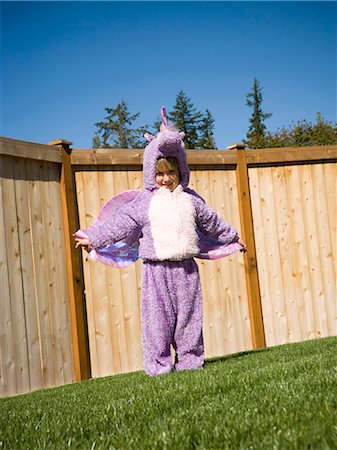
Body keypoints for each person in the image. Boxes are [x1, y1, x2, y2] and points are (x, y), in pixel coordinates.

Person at [74, 107, 247, 377]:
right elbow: (121, 223)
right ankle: (158, 365)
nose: (165, 179)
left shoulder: (190, 199)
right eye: (159, 173)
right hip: (156, 271)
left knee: (189, 319)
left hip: (186, 270)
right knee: (157, 321)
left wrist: (232, 236)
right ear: (150, 173)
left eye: (171, 172)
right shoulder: (145, 202)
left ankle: (190, 361)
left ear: (181, 170)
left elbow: (212, 222)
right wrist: (93, 236)